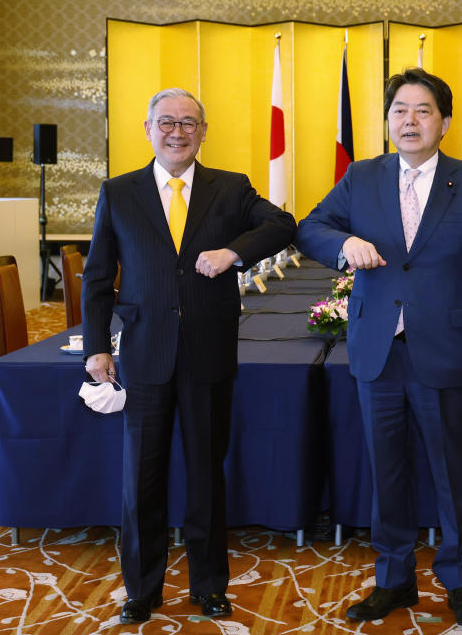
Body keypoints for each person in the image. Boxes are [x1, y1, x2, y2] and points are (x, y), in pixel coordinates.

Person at [295, 68, 462, 629]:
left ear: (443, 122)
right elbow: (310, 227)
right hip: (377, 350)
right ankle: (393, 580)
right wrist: (344, 242)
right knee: (386, 472)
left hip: (448, 349)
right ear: (388, 119)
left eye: (422, 111)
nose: (410, 120)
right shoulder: (361, 177)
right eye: (399, 110)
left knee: (452, 473)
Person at [81, 88, 296, 624]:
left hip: (207, 355)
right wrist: (96, 348)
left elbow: (283, 224)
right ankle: (141, 589)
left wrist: (233, 253)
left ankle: (208, 585)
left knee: (205, 476)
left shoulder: (231, 188)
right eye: (167, 123)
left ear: (203, 131)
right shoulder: (119, 191)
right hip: (144, 355)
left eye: (188, 123)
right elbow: (97, 277)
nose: (177, 132)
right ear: (147, 128)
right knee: (141, 481)